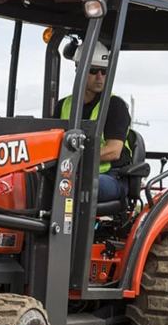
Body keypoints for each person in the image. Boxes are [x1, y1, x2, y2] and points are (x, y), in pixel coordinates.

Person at [53, 41, 132, 203]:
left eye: (104, 71)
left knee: (73, 184)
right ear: (79, 69)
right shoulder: (63, 105)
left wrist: (72, 158)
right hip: (70, 172)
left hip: (112, 176)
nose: (100, 77)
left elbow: (113, 151)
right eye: (94, 70)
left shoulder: (114, 105)